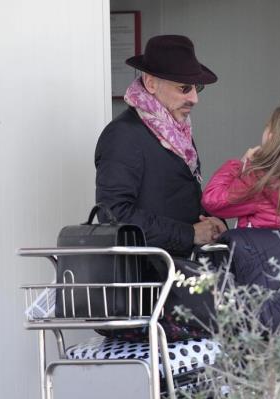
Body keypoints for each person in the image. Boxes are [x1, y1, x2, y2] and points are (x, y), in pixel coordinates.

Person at [94, 34, 226, 341]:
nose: (194, 97)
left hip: (173, 292)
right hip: (145, 302)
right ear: (151, 83)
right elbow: (115, 216)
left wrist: (209, 220)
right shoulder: (124, 136)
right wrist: (190, 233)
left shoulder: (171, 131)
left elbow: (174, 195)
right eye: (185, 87)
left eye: (197, 87)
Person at [202, 104, 280, 230]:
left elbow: (212, 201)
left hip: (265, 250)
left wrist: (239, 165)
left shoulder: (260, 179)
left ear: (271, 137)